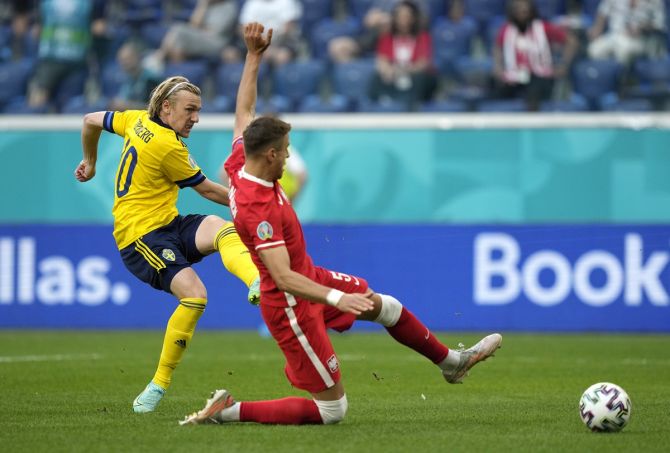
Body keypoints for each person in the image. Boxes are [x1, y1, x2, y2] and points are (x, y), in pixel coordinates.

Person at [180, 22, 502, 427]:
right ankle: (228, 411)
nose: (289, 159)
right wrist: (334, 299)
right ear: (270, 155)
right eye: (285, 153)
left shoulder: (240, 162)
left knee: (386, 306)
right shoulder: (256, 208)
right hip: (291, 306)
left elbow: (244, 111)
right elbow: (280, 277)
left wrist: (254, 56)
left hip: (308, 278)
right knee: (332, 411)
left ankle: (452, 363)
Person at [74, 75, 260, 414]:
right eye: (190, 110)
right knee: (195, 295)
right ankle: (158, 384)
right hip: (139, 237)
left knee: (221, 229)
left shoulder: (136, 119)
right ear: (166, 107)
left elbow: (89, 121)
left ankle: (255, 280)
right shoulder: (166, 145)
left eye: (198, 110)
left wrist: (90, 162)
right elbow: (206, 189)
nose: (196, 118)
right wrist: (252, 201)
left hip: (166, 223)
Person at [492, 0, 578, 111]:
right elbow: (497, 47)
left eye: (525, 11)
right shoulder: (506, 30)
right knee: (495, 88)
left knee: (534, 90)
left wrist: (563, 65)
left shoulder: (544, 27)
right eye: (518, 10)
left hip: (539, 76)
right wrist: (498, 67)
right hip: (515, 75)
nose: (522, 13)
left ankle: (531, 123)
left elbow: (571, 42)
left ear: (531, 12)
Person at [28, 0, 107, 108]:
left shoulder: (91, 3)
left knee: (73, 104)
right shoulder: (45, 3)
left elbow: (99, 27)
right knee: (38, 98)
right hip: (50, 59)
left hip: (78, 61)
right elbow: (37, 27)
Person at [368, 0, 437, 111]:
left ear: (414, 18)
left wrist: (405, 70)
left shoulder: (423, 37)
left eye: (407, 16)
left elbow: (423, 63)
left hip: (413, 75)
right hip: (393, 75)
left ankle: (413, 107)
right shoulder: (387, 37)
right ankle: (379, 107)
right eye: (400, 16)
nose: (403, 20)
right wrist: (388, 70)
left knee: (422, 77)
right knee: (376, 76)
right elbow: (381, 61)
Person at [142, 0, 238, 74]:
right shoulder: (209, 6)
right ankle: (176, 72)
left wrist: (198, 31)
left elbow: (214, 32)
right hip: (203, 38)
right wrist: (202, 5)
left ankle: (159, 57)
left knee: (179, 29)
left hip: (218, 43)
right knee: (177, 42)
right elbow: (194, 25)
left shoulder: (229, 7)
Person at [587, 0, 666, 66]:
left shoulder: (655, 1)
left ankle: (625, 80)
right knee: (594, 49)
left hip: (642, 39)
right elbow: (603, 12)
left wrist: (642, 29)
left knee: (623, 49)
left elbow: (659, 26)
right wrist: (597, 29)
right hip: (615, 35)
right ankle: (604, 79)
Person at [108, 40, 161, 111]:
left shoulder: (151, 79)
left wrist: (128, 106)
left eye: (127, 59)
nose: (124, 63)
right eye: (121, 60)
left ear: (138, 57)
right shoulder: (127, 80)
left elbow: (155, 108)